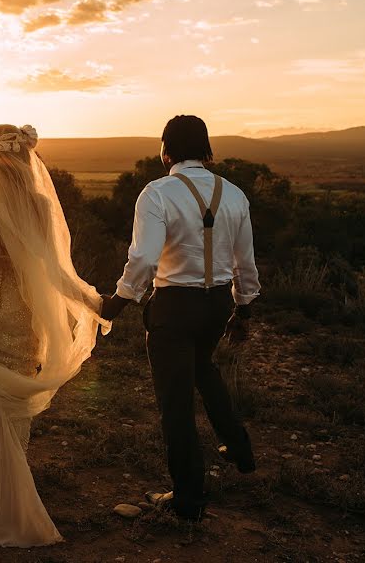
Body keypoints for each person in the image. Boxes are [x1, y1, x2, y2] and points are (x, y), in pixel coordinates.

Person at [0, 124, 109, 546]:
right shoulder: (35, 203)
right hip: (20, 321)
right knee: (11, 413)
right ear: (22, 158)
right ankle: (9, 491)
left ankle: (5, 505)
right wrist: (91, 301)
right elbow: (54, 268)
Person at [101, 114, 260, 521]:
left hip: (174, 306)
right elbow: (246, 261)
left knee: (175, 403)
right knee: (203, 368)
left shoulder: (156, 193)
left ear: (165, 149)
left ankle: (188, 499)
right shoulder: (235, 194)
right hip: (217, 303)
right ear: (206, 149)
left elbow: (143, 258)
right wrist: (243, 308)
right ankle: (239, 447)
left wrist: (117, 302)